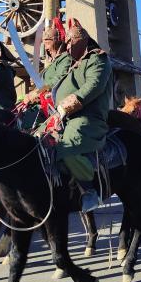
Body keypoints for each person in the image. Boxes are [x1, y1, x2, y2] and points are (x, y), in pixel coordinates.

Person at [47, 19, 113, 212]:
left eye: (70, 40)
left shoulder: (97, 59)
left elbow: (93, 86)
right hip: (64, 117)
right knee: (37, 140)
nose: (66, 45)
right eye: (65, 41)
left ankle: (89, 190)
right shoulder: (74, 65)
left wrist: (65, 106)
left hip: (87, 118)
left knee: (67, 148)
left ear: (82, 40)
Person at [21, 18, 72, 128]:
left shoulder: (65, 58)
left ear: (58, 43)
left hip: (54, 105)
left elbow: (59, 78)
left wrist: (38, 92)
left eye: (48, 43)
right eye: (45, 43)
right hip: (41, 103)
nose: (46, 48)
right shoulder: (53, 64)